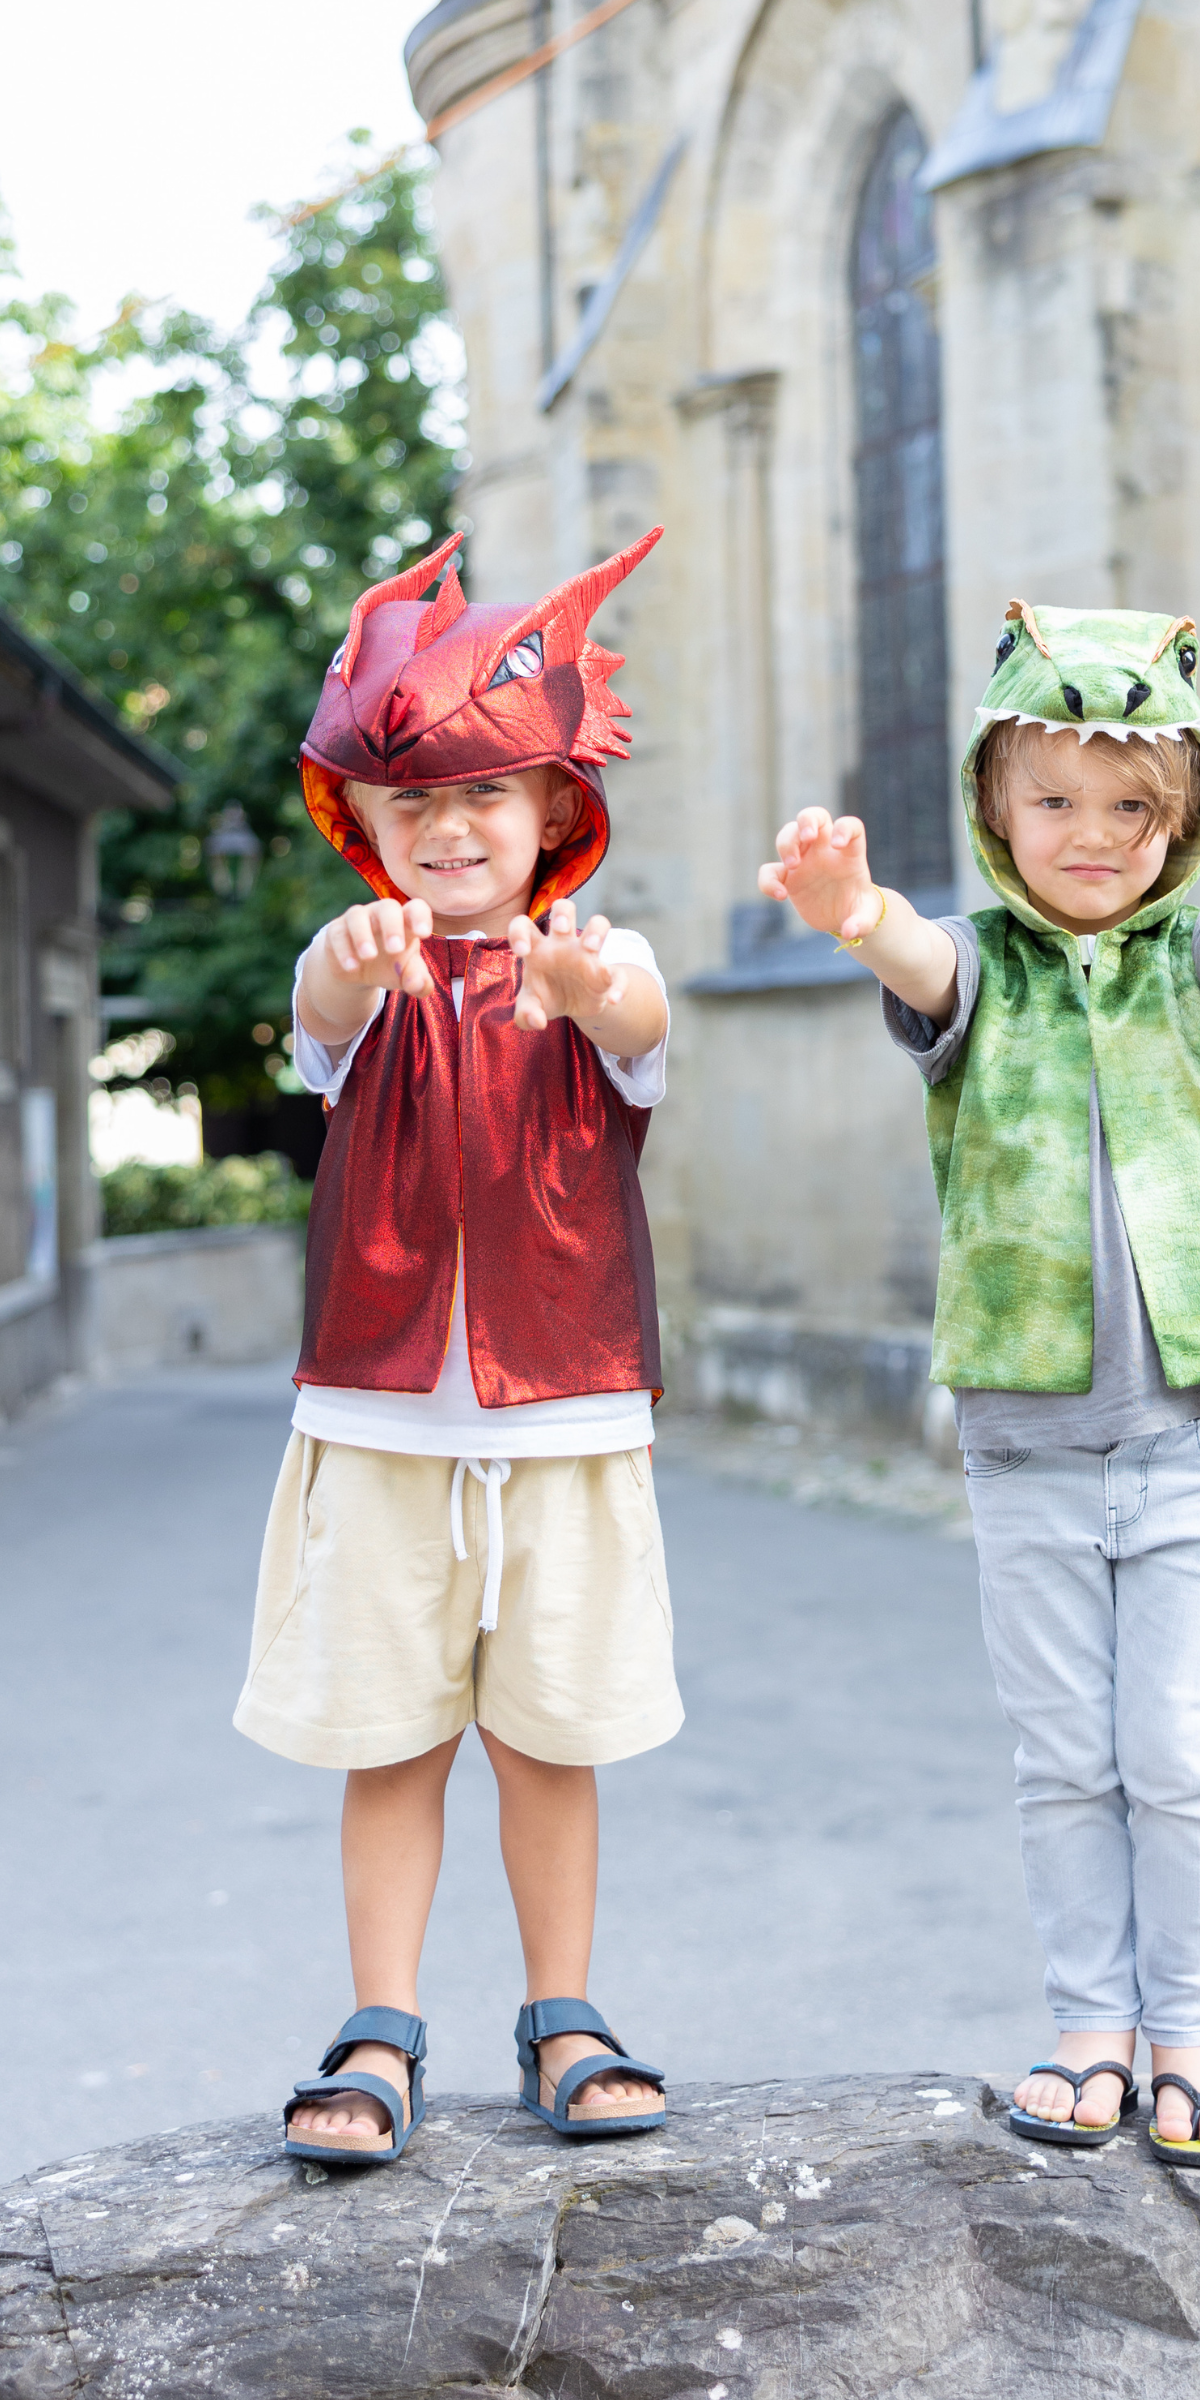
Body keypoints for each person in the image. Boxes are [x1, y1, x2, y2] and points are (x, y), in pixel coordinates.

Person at [757, 601, 1200, 2169]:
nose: (1093, 834)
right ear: (993, 807)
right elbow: (914, 952)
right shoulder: (978, 975)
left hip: (1197, 1437)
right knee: (1066, 1758)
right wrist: (853, 909)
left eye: (1133, 807)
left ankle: (1191, 2035)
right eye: (1055, 800)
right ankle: (1086, 2032)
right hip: (1029, 1440)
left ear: (1182, 823)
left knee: (1180, 1754)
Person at [234, 528, 682, 2163]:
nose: (451, 827)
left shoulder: (598, 962)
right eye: (413, 802)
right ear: (365, 824)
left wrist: (586, 990)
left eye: (489, 795)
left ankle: (563, 2010)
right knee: (391, 1731)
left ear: (555, 811)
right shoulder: (358, 962)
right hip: (383, 1418)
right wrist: (349, 975)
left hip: (562, 1412)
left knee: (547, 1734)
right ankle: (381, 2024)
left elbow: (639, 1033)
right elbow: (322, 1025)